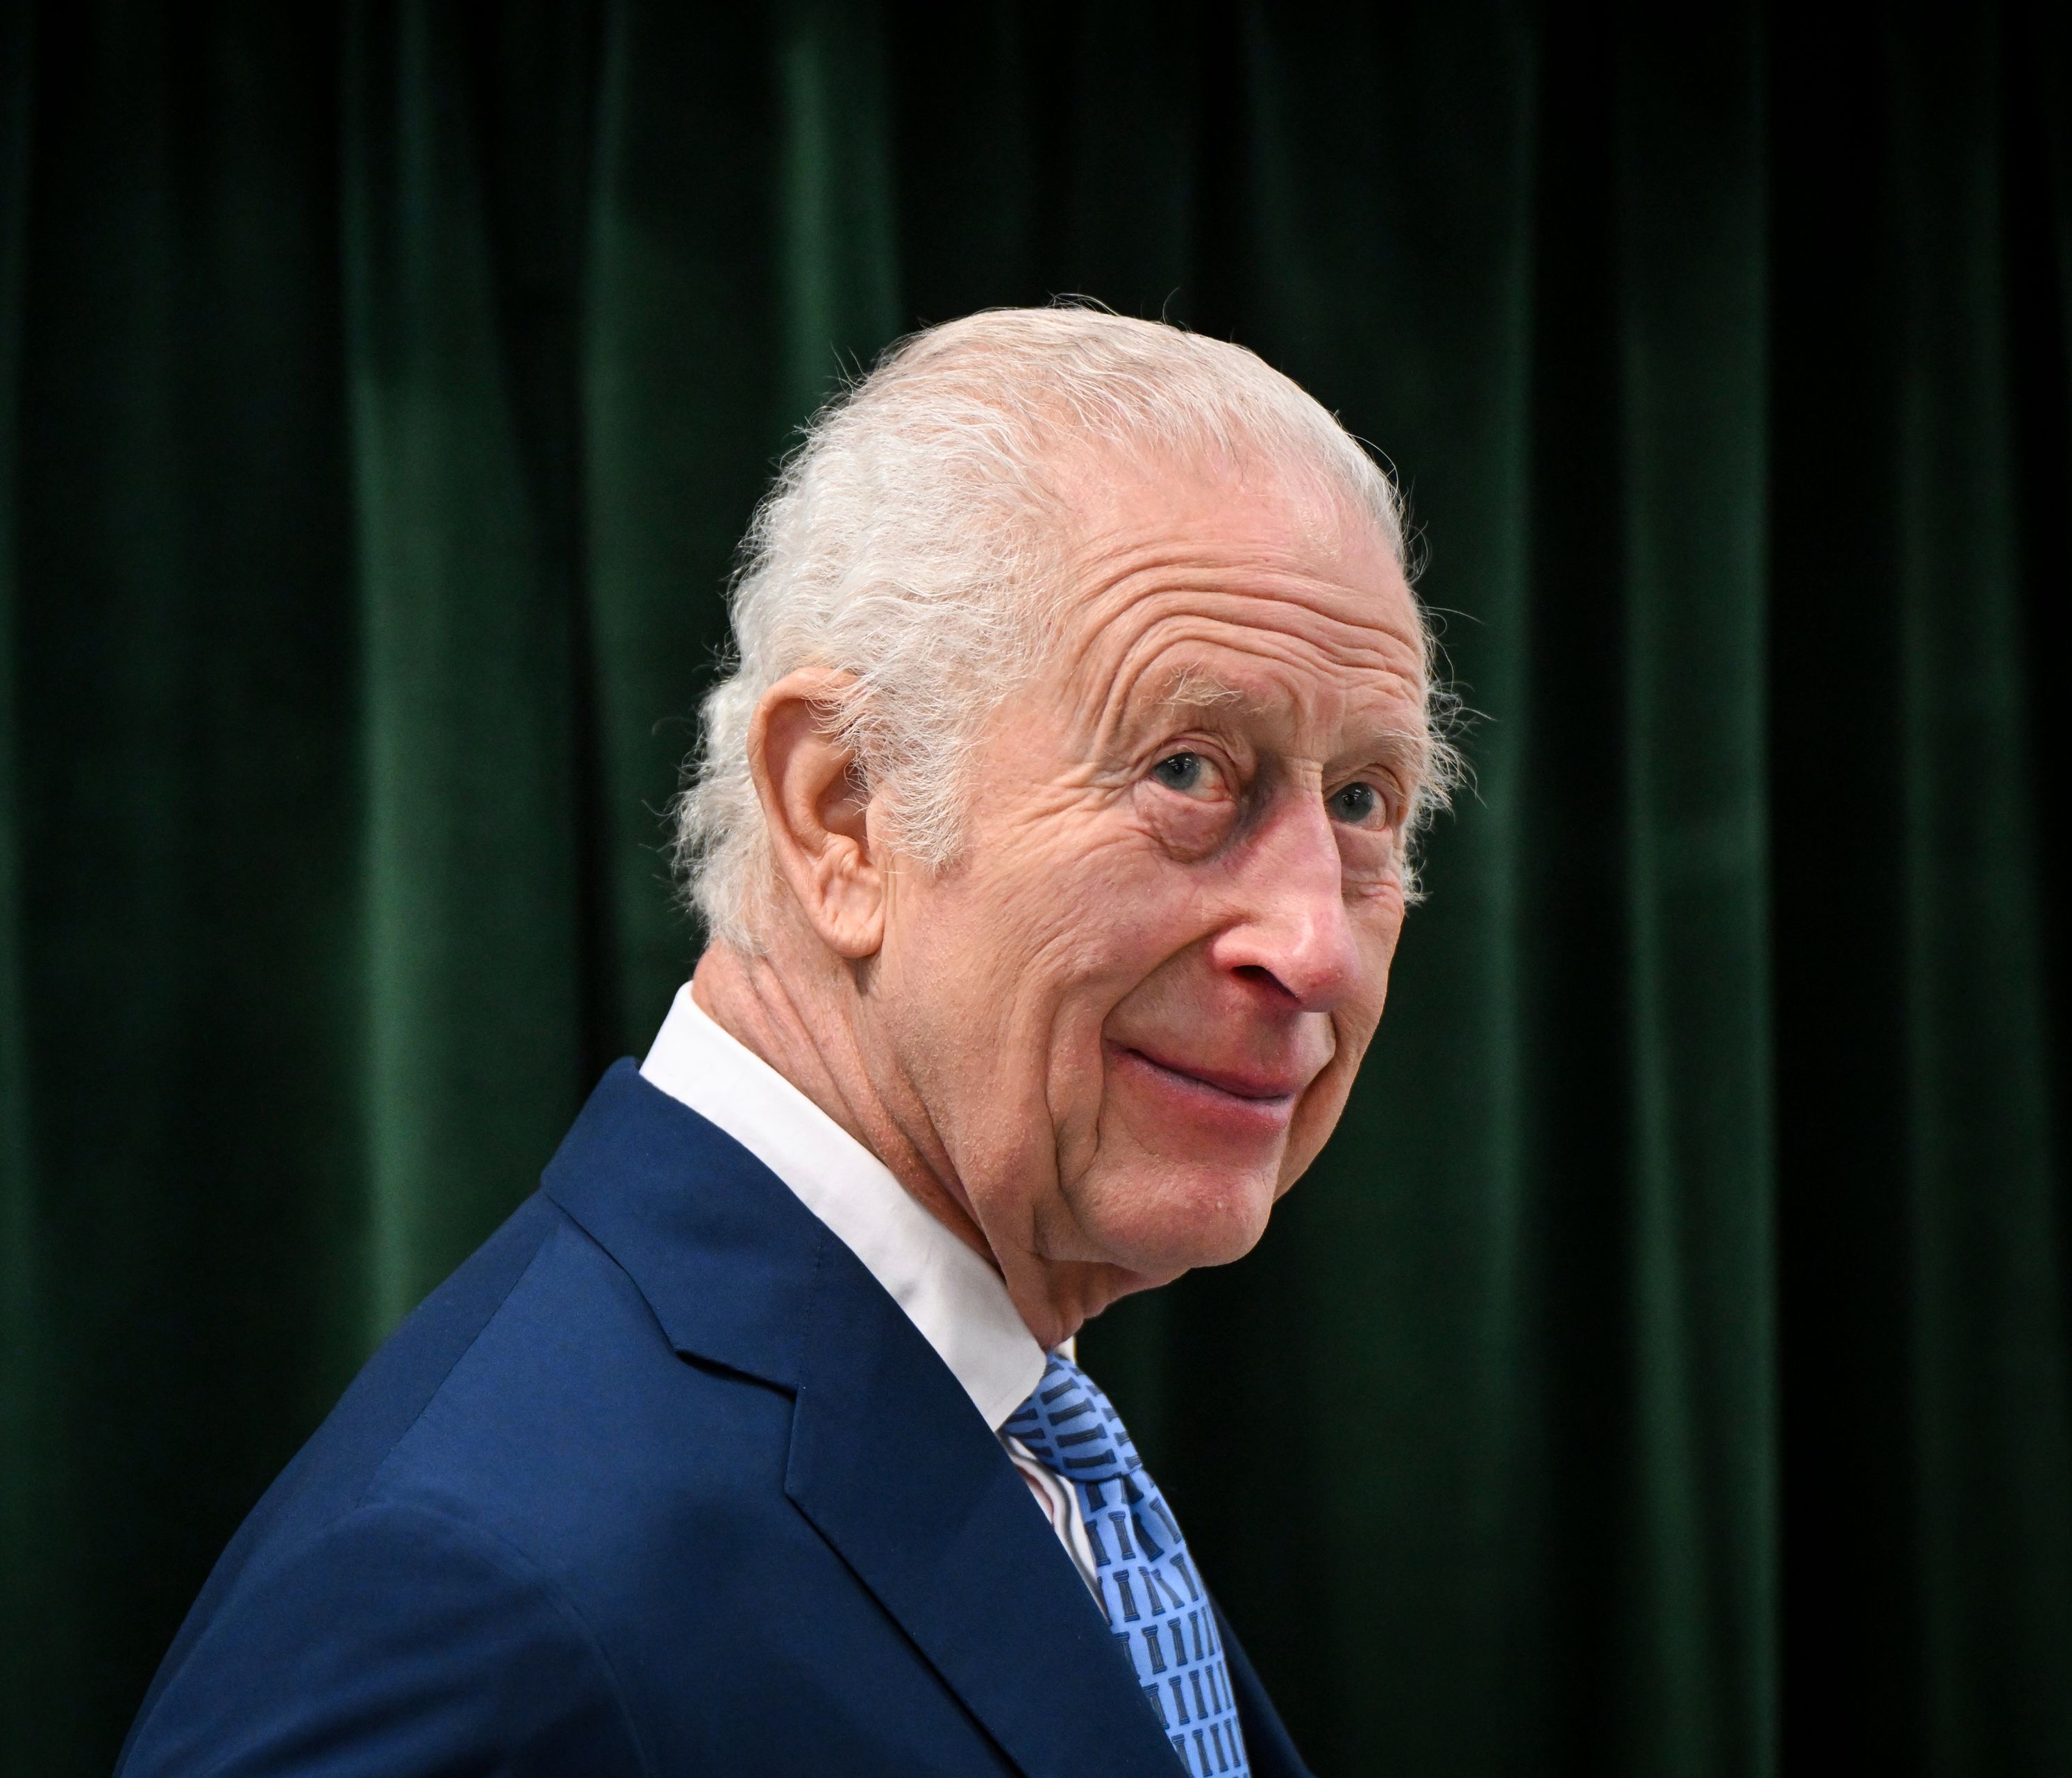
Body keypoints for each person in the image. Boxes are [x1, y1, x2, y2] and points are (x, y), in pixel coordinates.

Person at [115, 306, 1455, 1777]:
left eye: (1365, 803)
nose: (1318, 944)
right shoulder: (474, 1590)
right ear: (840, 811)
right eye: (1190, 770)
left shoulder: (1011, 1425)